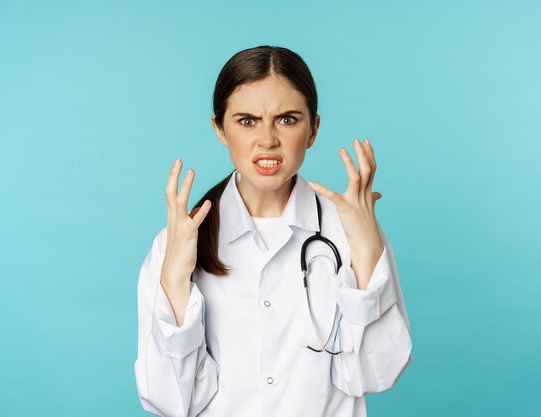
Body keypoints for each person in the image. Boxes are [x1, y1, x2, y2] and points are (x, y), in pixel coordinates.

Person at [134, 45, 413, 417]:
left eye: (287, 119)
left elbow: (375, 375)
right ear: (219, 128)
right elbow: (168, 400)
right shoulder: (179, 241)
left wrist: (365, 249)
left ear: (313, 129)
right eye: (247, 121)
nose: (267, 140)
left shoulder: (349, 229)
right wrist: (174, 280)